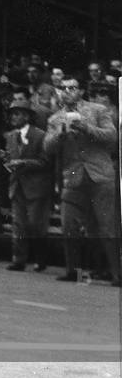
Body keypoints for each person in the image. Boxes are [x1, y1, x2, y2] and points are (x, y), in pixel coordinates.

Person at [43, 77, 120, 286]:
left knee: (107, 228)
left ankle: (117, 274)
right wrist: (60, 134)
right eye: (63, 88)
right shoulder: (55, 118)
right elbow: (47, 148)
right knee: (68, 224)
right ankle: (73, 271)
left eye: (72, 88)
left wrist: (87, 128)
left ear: (81, 91)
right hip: (73, 176)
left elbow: (112, 137)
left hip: (100, 175)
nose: (67, 91)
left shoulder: (98, 110)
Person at [1, 93, 53, 272]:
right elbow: (10, 159)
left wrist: (23, 163)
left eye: (17, 114)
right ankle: (19, 260)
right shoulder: (9, 136)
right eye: (12, 114)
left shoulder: (40, 135)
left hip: (36, 187)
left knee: (36, 224)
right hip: (17, 186)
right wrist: (7, 161)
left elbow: (45, 162)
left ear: (27, 116)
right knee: (18, 224)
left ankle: (40, 259)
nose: (13, 117)